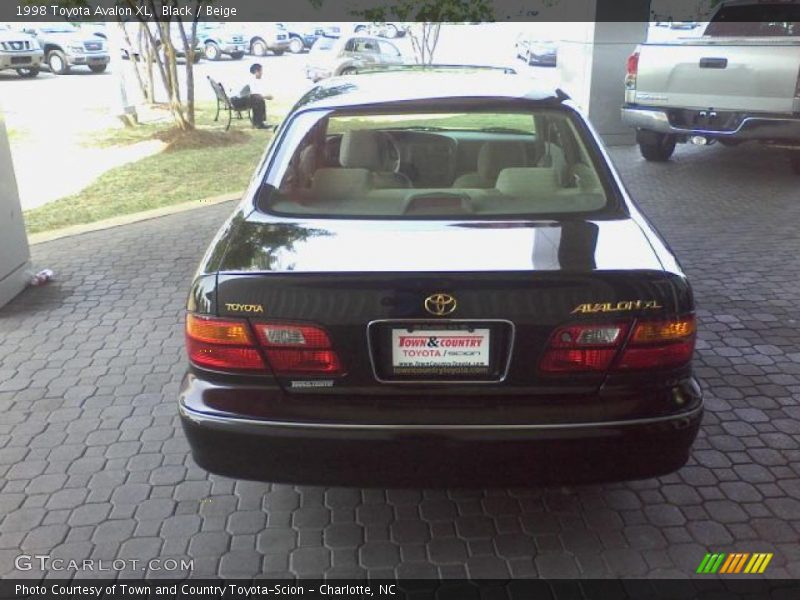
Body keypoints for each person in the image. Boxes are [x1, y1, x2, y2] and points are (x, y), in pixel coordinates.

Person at [231, 63, 274, 130]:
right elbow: (256, 94)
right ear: (256, 71)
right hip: (237, 101)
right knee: (258, 99)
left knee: (257, 99)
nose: (262, 73)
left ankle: (258, 122)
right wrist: (267, 97)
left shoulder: (250, 78)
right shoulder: (251, 79)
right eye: (261, 71)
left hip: (236, 99)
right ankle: (259, 123)